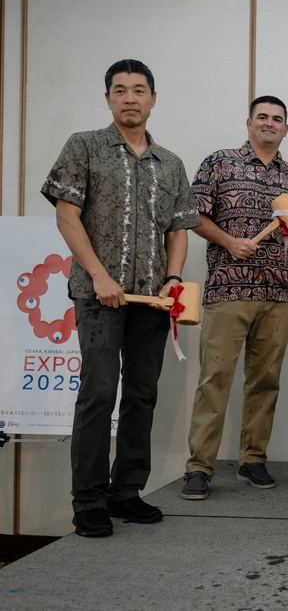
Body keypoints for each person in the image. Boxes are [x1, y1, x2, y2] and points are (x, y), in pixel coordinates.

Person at [41, 59, 200, 537]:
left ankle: (126, 490)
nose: (130, 97)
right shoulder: (84, 146)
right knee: (98, 392)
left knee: (141, 394)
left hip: (151, 300)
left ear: (153, 98)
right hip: (99, 297)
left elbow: (178, 229)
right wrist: (98, 275)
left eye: (139, 89)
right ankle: (87, 499)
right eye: (120, 90)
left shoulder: (170, 162)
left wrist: (172, 279)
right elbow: (67, 215)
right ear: (107, 98)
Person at [181, 95, 288, 500]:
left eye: (278, 119)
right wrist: (229, 242)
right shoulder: (219, 162)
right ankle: (199, 467)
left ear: (286, 129)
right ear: (249, 122)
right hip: (228, 290)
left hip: (280, 295)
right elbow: (193, 215)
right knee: (214, 380)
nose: (270, 123)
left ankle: (253, 459)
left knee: (265, 381)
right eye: (263, 117)